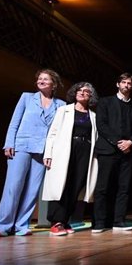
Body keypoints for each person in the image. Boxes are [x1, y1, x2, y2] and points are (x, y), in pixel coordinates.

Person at [0, 69, 65, 237]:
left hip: (42, 151)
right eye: (39, 79)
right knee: (13, 186)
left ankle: (21, 225)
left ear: (53, 83)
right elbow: (14, 122)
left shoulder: (60, 105)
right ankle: (2, 226)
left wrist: (51, 153)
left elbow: (57, 131)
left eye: (45, 79)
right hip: (21, 146)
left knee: (32, 190)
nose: (41, 81)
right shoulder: (26, 97)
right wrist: (9, 143)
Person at [42, 82, 99, 236]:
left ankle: (65, 219)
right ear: (74, 93)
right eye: (79, 90)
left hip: (85, 152)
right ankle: (56, 221)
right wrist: (48, 154)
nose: (82, 93)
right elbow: (52, 133)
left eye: (86, 91)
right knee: (61, 185)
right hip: (65, 151)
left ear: (90, 96)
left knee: (76, 186)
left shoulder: (93, 115)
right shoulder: (63, 110)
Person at [91, 73, 132, 233]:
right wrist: (118, 142)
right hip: (108, 150)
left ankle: (118, 221)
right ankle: (99, 222)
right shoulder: (105, 102)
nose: (126, 85)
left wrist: (130, 142)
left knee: (124, 188)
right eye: (124, 82)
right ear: (117, 84)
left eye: (129, 83)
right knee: (103, 187)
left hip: (127, 151)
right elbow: (102, 124)